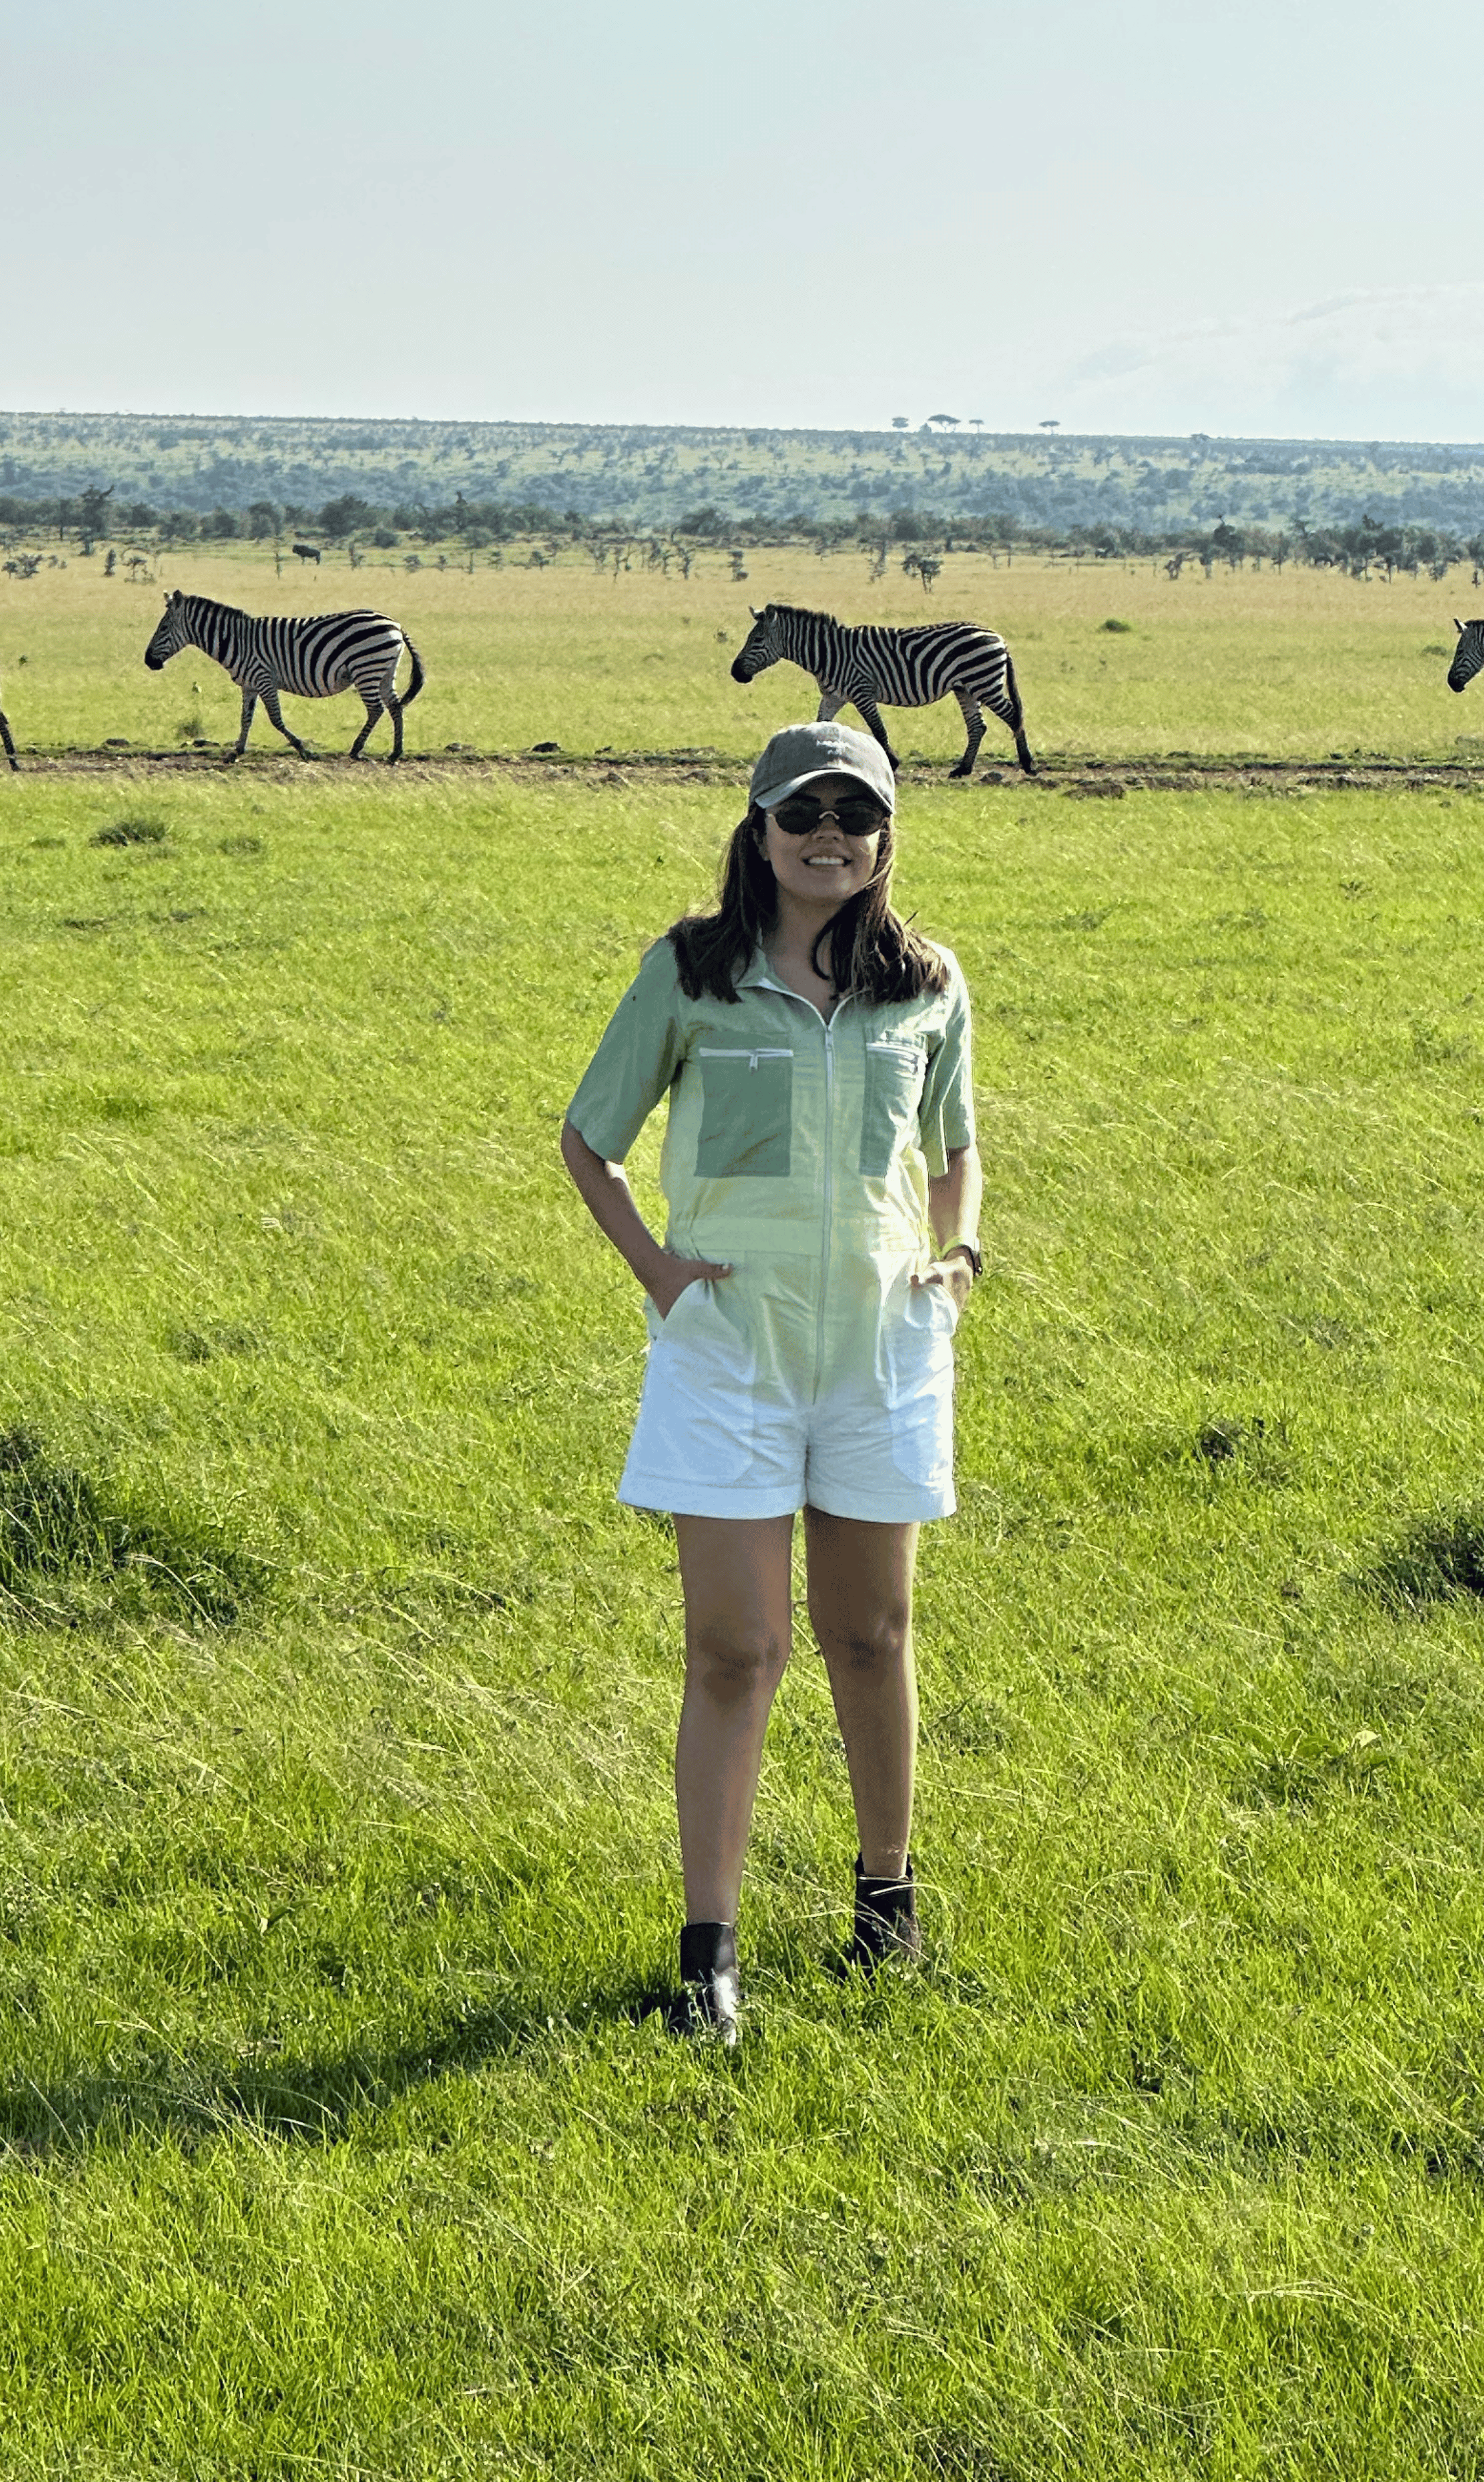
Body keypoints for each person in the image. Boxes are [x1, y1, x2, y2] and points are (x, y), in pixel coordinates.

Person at [561, 722, 982, 2043]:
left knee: (873, 1638)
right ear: (758, 827)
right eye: (803, 811)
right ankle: (709, 1959)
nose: (829, 836)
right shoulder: (690, 971)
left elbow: (955, 1146)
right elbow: (589, 1138)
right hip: (729, 1355)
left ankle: (886, 1907)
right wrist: (659, 1273)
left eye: (855, 814)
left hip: (879, 1353)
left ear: (885, 837)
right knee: (737, 1650)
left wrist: (959, 1256)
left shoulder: (926, 983)